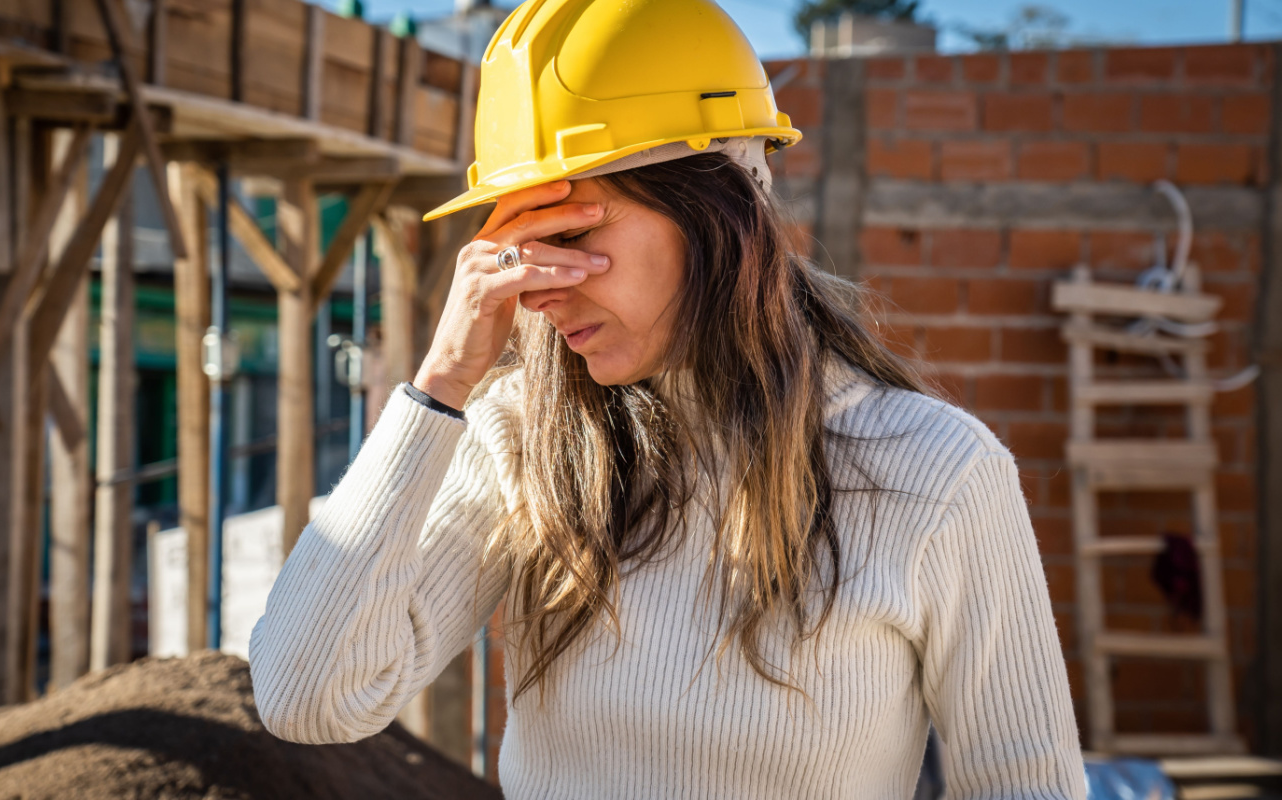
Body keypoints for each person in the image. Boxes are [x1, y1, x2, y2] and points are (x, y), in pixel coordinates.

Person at [248, 0, 1088, 797]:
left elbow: (1026, 784)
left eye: (572, 236)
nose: (535, 291)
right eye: (517, 246)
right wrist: (438, 388)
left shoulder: (936, 472)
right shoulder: (523, 440)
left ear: (716, 211)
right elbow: (306, 696)